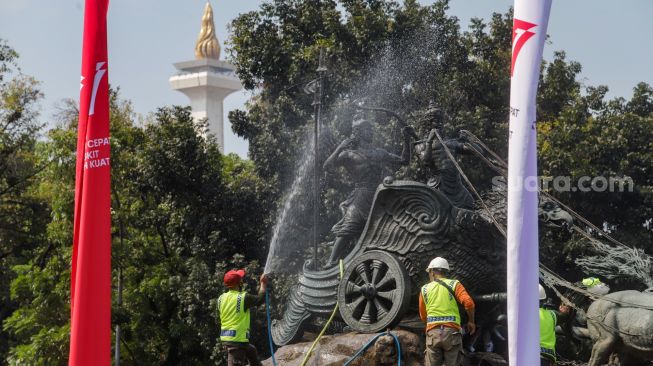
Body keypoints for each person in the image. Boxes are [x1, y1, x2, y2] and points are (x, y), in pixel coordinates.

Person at [322, 116, 412, 266]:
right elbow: (327, 167)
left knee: (390, 228)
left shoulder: (379, 152)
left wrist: (406, 138)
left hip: (379, 195)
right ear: (357, 132)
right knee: (349, 226)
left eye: (371, 128)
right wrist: (340, 147)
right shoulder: (349, 154)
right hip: (361, 195)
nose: (371, 131)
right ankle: (331, 262)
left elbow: (404, 160)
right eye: (367, 129)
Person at [419, 257, 476, 366]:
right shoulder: (454, 284)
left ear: (432, 272)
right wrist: (471, 321)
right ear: (445, 272)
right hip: (452, 334)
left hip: (433, 334)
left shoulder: (424, 289)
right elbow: (469, 303)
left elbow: (423, 316)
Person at [218, 269, 268, 366]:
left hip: (227, 338)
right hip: (237, 342)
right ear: (239, 283)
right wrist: (263, 283)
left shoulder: (221, 298)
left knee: (252, 351)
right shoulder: (242, 298)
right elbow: (259, 299)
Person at [539, 284, 570, 366]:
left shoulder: (520, 314)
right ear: (543, 301)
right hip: (546, 358)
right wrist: (564, 311)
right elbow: (564, 316)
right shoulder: (551, 315)